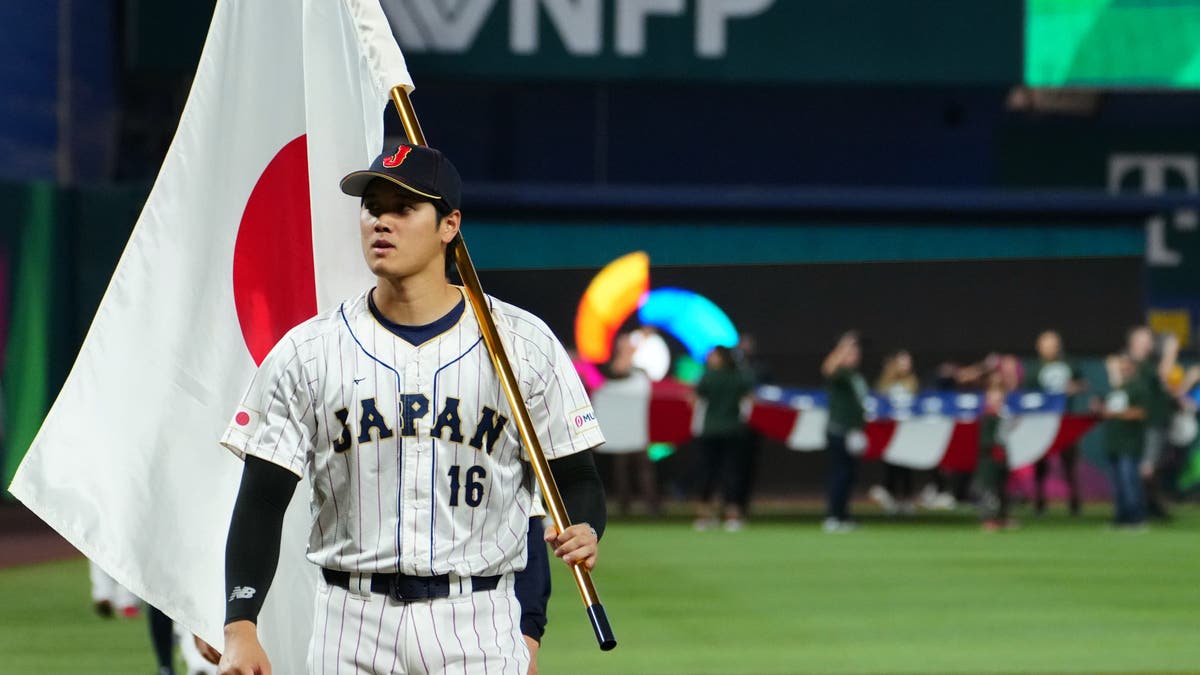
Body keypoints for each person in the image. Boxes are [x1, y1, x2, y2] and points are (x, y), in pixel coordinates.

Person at [215, 143, 607, 675]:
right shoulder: (309, 352)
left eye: (404, 208)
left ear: (450, 225)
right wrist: (241, 625)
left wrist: (585, 527)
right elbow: (261, 500)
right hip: (350, 621)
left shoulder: (521, 344)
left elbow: (576, 476)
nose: (382, 220)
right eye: (373, 206)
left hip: (477, 618)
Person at [1022, 330, 1086, 515]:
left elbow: (1083, 384)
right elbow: (1028, 396)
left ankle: (1074, 501)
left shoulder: (1069, 364)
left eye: (1053, 345)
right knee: (1040, 463)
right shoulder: (1035, 369)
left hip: (1065, 420)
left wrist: (1074, 387)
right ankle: (1040, 501)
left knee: (1070, 463)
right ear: (1039, 347)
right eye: (1046, 345)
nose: (1050, 349)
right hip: (1042, 422)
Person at [692, 345, 754, 531]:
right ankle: (732, 515)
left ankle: (704, 515)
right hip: (734, 430)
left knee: (709, 472)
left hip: (710, 431)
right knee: (732, 472)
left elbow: (694, 398)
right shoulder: (741, 376)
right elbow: (750, 399)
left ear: (721, 358)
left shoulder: (708, 376)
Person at [821, 332, 869, 533]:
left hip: (854, 431)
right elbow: (827, 369)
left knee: (849, 475)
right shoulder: (840, 374)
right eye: (851, 353)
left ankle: (844, 514)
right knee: (839, 474)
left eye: (856, 353)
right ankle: (833, 515)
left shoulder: (854, 376)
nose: (854, 356)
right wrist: (843, 347)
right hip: (839, 430)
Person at [1127, 326, 1172, 520]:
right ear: (1133, 342)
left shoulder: (1149, 364)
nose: (1147, 343)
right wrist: (1171, 351)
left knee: (1149, 467)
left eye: (1149, 339)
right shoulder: (1131, 363)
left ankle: (1150, 506)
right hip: (1137, 425)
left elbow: (1164, 382)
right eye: (1142, 339)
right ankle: (1140, 508)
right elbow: (1163, 375)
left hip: (1155, 423)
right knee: (1143, 468)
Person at [1101, 354, 1149, 529]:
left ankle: (1136, 518)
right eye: (1121, 365)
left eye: (1127, 365)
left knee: (1130, 481)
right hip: (1114, 442)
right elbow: (1108, 412)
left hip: (1130, 444)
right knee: (1117, 483)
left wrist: (1118, 413)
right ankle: (1121, 517)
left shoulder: (1138, 388)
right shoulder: (1116, 389)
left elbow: (1141, 413)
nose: (1123, 368)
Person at [869, 350, 919, 515]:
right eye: (903, 362)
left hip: (907, 431)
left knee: (906, 466)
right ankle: (890, 497)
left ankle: (906, 499)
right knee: (892, 465)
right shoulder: (885, 382)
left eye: (909, 362)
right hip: (889, 432)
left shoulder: (911, 382)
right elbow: (879, 402)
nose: (907, 366)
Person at [975, 376, 1015, 531]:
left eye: (1000, 397)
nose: (998, 400)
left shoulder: (1003, 416)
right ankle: (988, 519)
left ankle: (1002, 517)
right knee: (989, 492)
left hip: (1001, 458)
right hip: (989, 460)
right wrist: (995, 448)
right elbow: (984, 441)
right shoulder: (988, 417)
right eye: (994, 397)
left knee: (1002, 490)